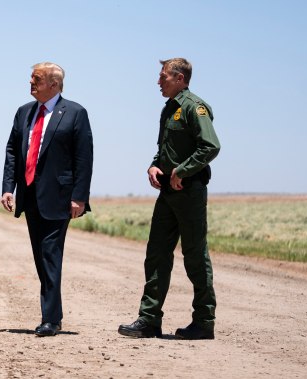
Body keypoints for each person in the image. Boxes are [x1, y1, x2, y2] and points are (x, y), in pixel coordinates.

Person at [118, 58, 221, 340]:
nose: (158, 81)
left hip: (189, 192)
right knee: (156, 255)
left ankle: (204, 322)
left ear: (179, 78)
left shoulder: (194, 107)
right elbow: (165, 150)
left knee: (195, 257)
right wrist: (154, 165)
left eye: (163, 76)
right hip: (167, 193)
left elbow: (210, 146)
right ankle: (149, 320)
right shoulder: (169, 109)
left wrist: (182, 171)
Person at [1, 62, 93, 337]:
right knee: (41, 258)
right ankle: (54, 314)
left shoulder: (75, 113)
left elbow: (83, 158)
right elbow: (12, 151)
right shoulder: (23, 113)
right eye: (31, 77)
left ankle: (50, 319)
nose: (31, 82)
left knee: (50, 254)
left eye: (36, 79)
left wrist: (80, 197)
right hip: (30, 197)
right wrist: (9, 187)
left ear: (53, 84)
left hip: (60, 198)